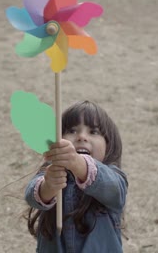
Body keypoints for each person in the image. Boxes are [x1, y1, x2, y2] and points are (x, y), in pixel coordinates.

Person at [25, 100, 128, 253]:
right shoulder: (51, 170)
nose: (81, 137)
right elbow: (31, 196)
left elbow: (115, 191)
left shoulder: (113, 175)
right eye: (72, 131)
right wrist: (48, 186)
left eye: (93, 132)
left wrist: (79, 164)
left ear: (109, 144)